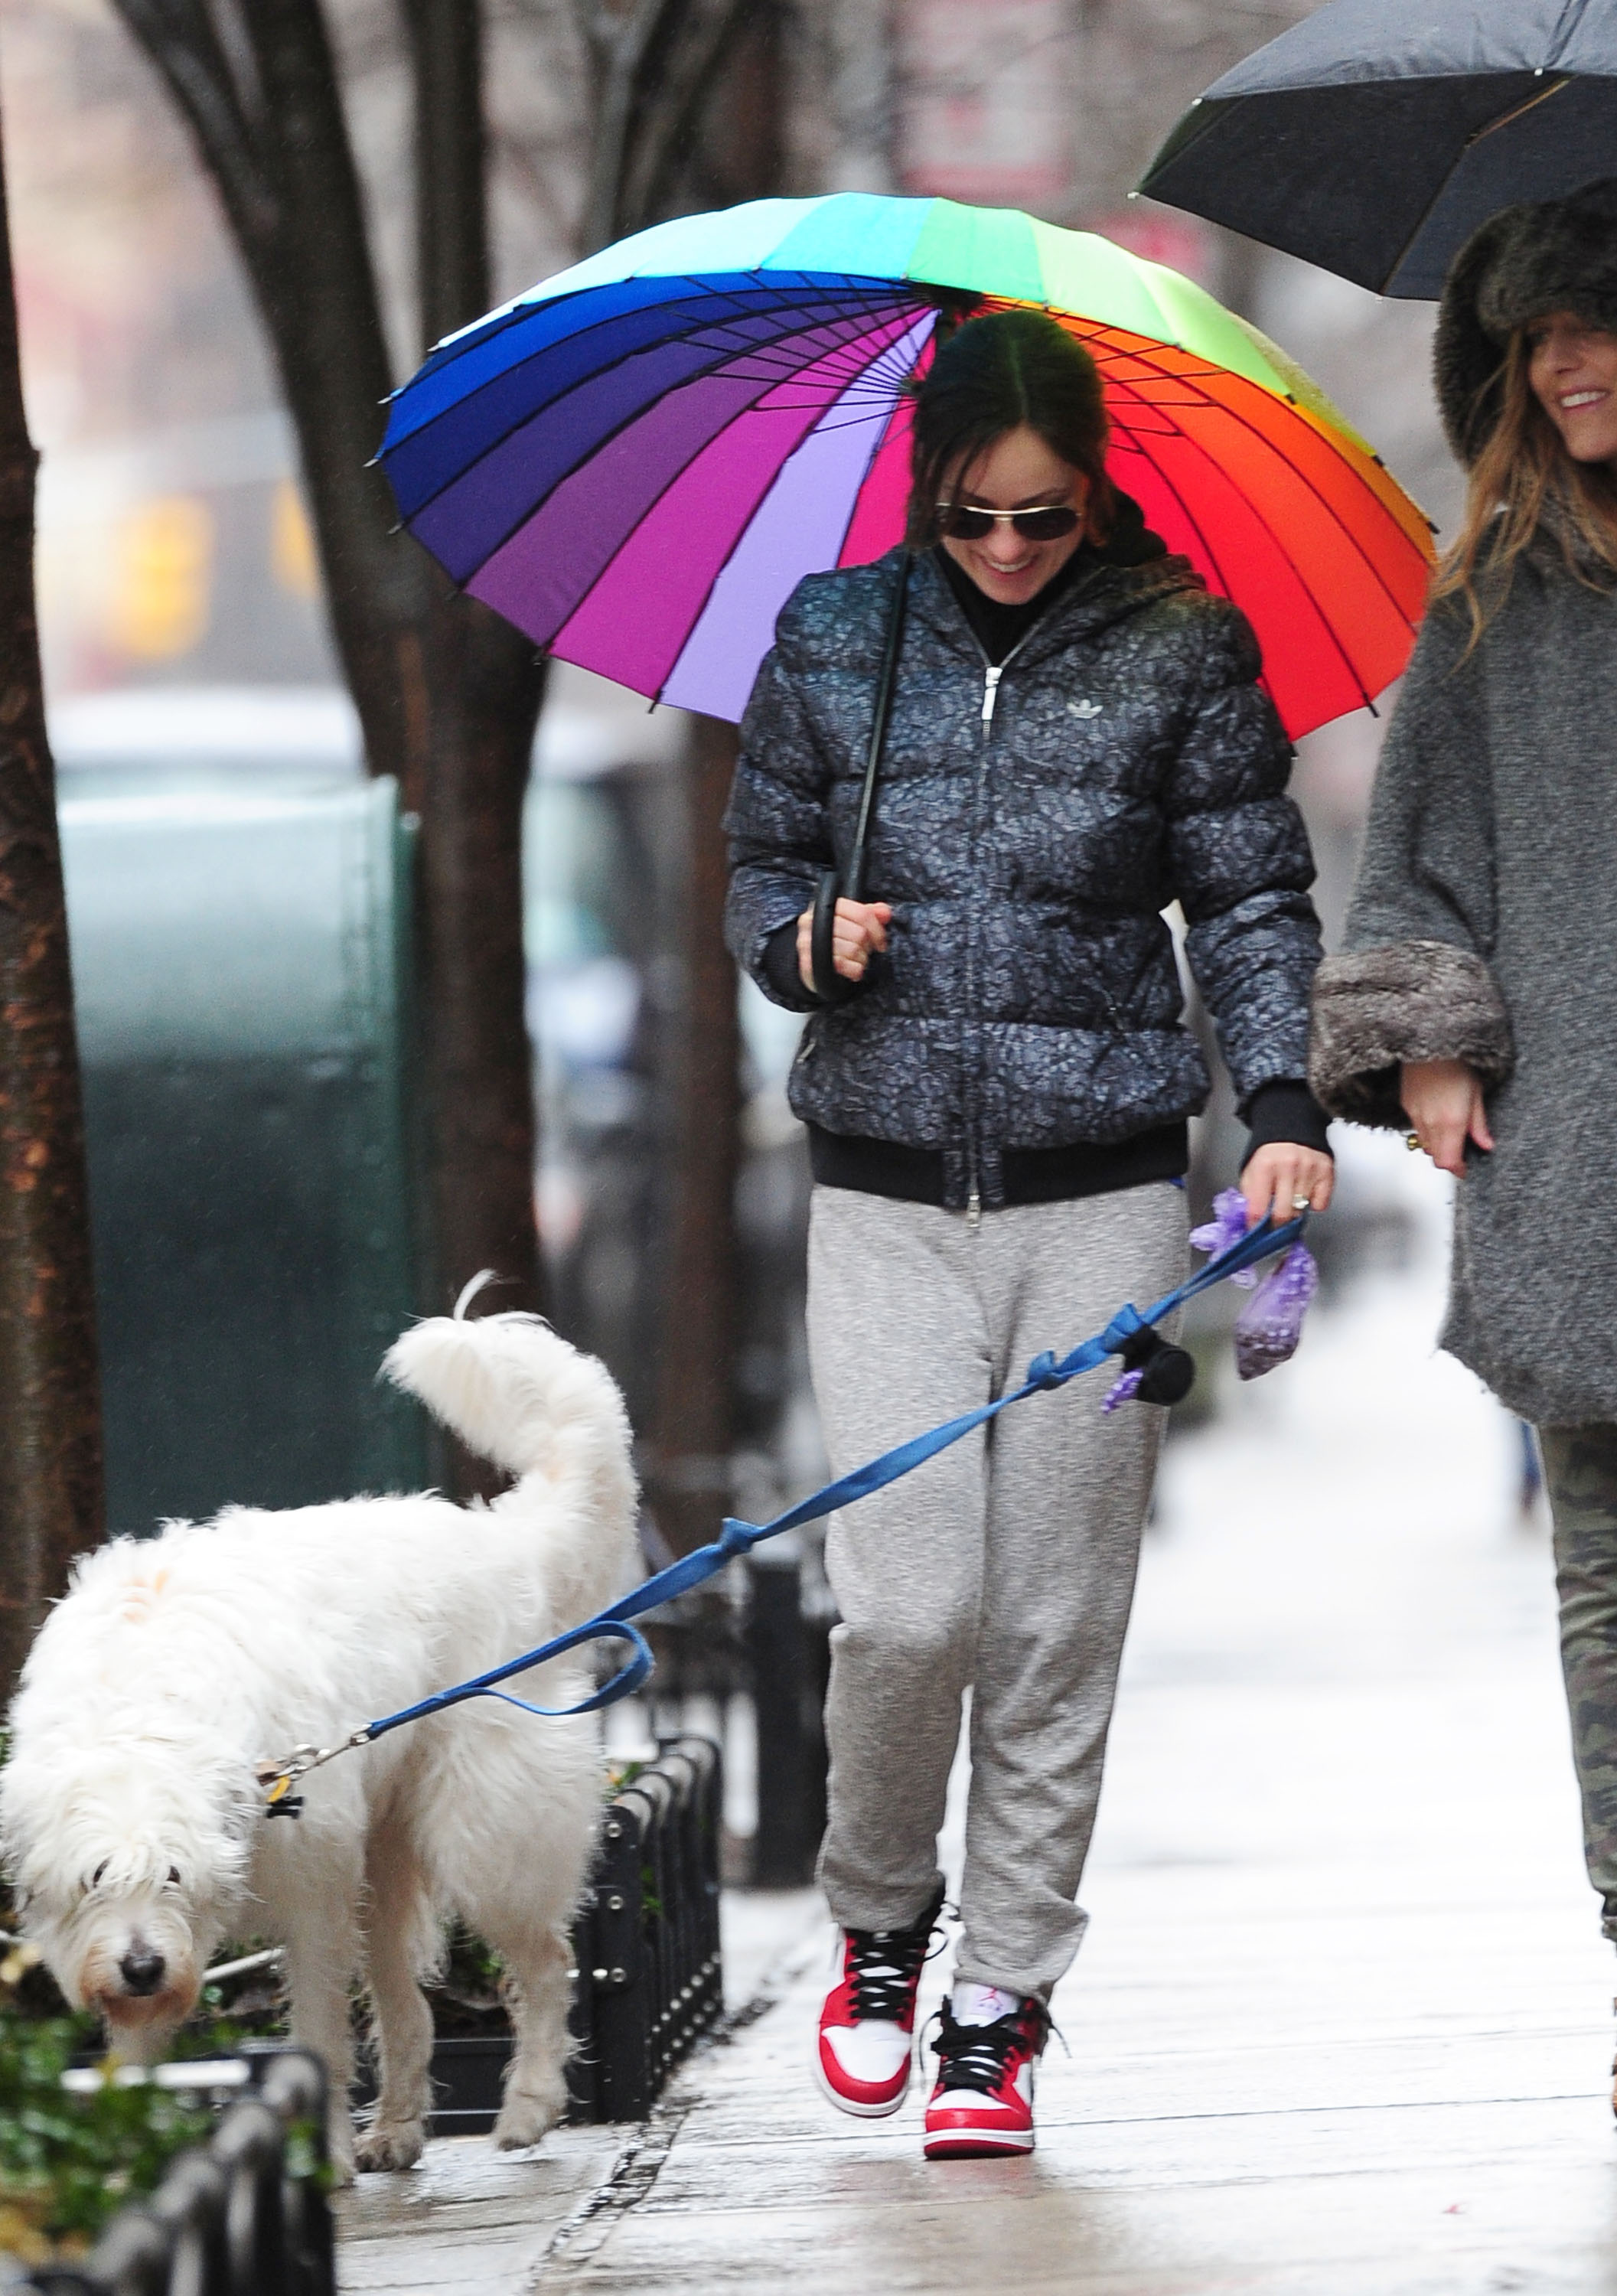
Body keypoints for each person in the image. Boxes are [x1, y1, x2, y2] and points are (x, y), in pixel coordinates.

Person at [724, 308, 1335, 2159]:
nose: (1006, 549)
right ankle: (881, 1926)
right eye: (977, 517)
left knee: (1059, 1621)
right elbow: (756, 868)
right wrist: (800, 944)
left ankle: (1001, 2001)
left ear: (1096, 497)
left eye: (1044, 518)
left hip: (1103, 1197)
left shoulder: (1181, 646)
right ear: (930, 495)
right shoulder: (839, 641)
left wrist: (1286, 1105)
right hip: (885, 1194)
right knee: (912, 1610)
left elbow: (1247, 895)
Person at [1309, 181, 1617, 2088]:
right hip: (1584, 1155)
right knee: (1602, 1574)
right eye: (1536, 340)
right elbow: (1408, 858)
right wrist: (1424, 1045)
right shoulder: (1494, 603)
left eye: (1597, 322)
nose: (1567, 362)